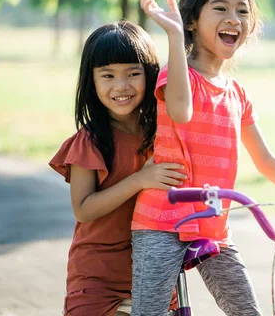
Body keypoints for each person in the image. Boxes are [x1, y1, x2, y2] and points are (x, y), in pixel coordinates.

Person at [131, 0, 275, 316]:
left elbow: (266, 160)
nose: (234, 17)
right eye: (221, 7)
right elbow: (180, 111)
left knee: (247, 311)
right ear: (192, 21)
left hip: (214, 226)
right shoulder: (178, 75)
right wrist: (174, 37)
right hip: (162, 220)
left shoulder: (236, 94)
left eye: (242, 10)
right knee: (149, 312)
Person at [49, 20, 185, 316]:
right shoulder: (91, 141)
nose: (121, 86)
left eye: (133, 74)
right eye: (107, 75)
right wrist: (140, 180)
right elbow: (84, 208)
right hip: (97, 277)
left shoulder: (162, 136)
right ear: (91, 80)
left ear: (150, 76)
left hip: (153, 273)